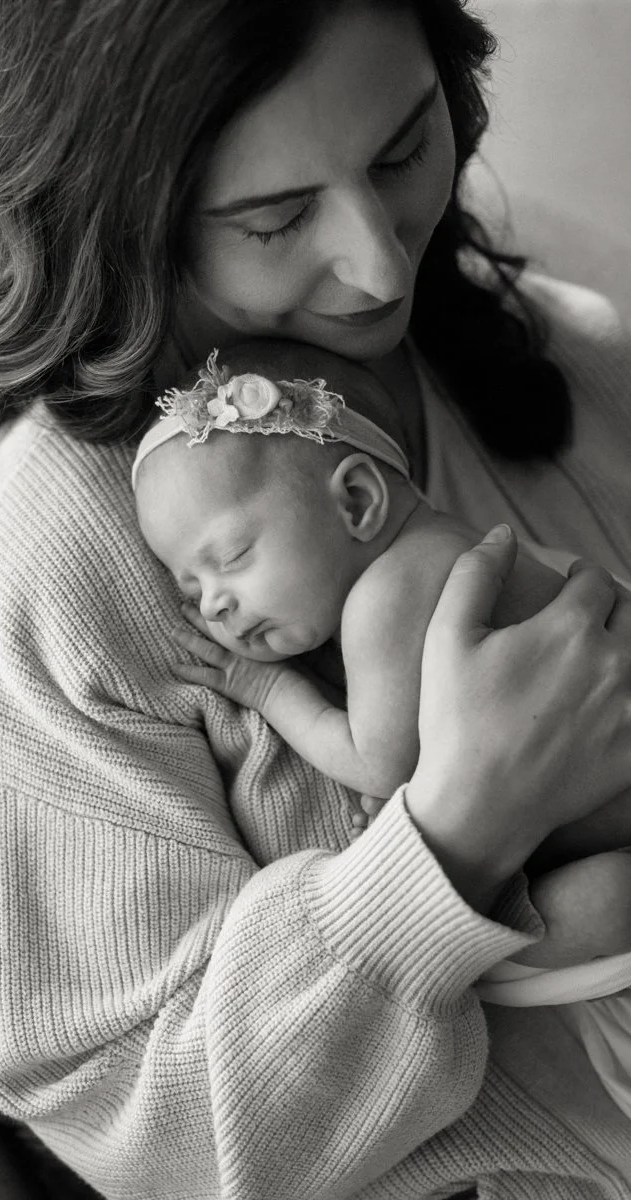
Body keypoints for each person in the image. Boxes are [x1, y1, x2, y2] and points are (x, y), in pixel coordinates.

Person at [0, 0, 631, 1194]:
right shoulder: (37, 577)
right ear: (127, 220)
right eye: (272, 219)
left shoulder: (556, 357)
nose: (376, 263)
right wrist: (456, 836)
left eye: (402, 149)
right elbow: (150, 1135)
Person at [132, 338, 631, 974]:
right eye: (191, 588)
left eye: (230, 559)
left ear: (358, 502)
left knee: (596, 908)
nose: (214, 609)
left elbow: (379, 765)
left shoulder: (387, 595)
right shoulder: (445, 545)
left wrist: (262, 688)